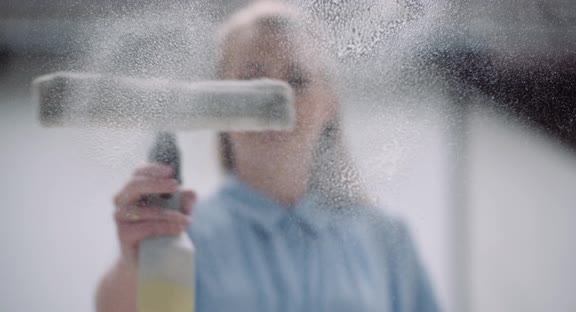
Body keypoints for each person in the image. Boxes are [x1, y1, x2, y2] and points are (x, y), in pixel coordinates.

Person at [96, 1, 439, 311]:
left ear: (330, 102)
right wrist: (134, 264)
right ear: (218, 98)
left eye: (298, 79)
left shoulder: (386, 239)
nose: (278, 98)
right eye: (251, 79)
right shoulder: (178, 234)